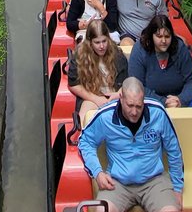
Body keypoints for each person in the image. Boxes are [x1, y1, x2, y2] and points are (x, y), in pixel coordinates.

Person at [78, 77, 184, 212]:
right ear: (121, 97)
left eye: (139, 106)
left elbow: (174, 150)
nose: (134, 112)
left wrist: (178, 188)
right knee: (103, 210)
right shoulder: (105, 116)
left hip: (154, 181)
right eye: (130, 105)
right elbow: (85, 141)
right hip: (117, 182)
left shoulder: (158, 112)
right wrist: (97, 172)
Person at [128, 13, 192, 109]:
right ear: (151, 36)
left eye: (167, 36)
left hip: (179, 99)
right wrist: (163, 102)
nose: (163, 41)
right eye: (159, 36)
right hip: (149, 101)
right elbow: (136, 85)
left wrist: (181, 100)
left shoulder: (180, 47)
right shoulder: (139, 49)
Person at [68, 18, 129, 109]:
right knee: (86, 111)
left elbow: (126, 81)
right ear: (90, 42)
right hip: (92, 97)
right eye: (97, 42)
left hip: (115, 96)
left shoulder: (118, 55)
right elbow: (73, 84)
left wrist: (118, 94)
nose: (101, 46)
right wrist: (96, 99)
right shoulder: (79, 56)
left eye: (104, 41)